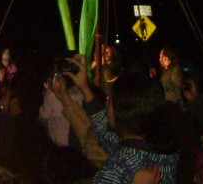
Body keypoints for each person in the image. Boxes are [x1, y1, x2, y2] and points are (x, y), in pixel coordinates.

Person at [64, 52, 179, 184]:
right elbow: (105, 134)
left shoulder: (116, 170)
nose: (106, 105)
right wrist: (84, 87)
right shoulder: (165, 152)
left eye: (110, 101)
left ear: (123, 113)